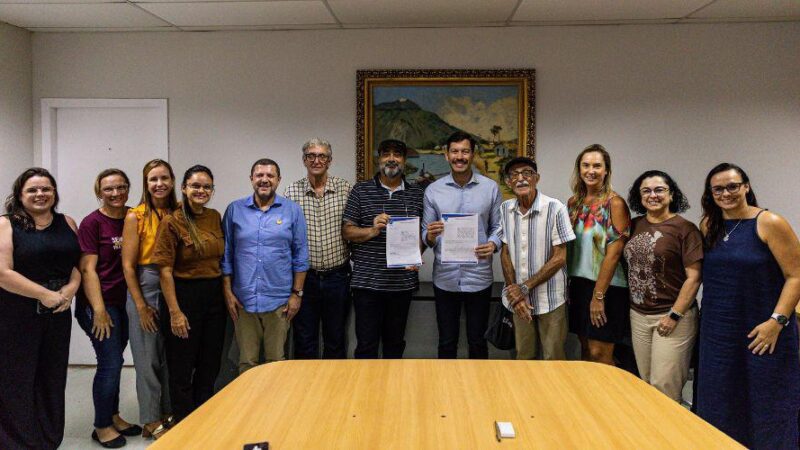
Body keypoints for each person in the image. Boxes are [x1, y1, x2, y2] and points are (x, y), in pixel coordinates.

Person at [696, 163, 800, 449]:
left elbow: (796, 276)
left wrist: (776, 322)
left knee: (767, 400)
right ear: (710, 193)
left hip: (763, 328)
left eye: (733, 186)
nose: (726, 193)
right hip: (719, 329)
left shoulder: (769, 223)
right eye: (718, 188)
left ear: (746, 186)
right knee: (720, 398)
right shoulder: (709, 225)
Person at [0, 168, 81, 449]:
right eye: (32, 190)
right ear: (20, 195)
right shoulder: (7, 224)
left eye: (46, 188)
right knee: (17, 376)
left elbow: (76, 266)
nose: (40, 194)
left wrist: (70, 290)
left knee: (52, 374)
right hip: (17, 312)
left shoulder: (67, 222)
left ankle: (48, 436)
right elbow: (3, 273)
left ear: (54, 193)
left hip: (58, 312)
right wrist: (44, 294)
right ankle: (17, 441)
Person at [152, 165, 226, 424]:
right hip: (183, 297)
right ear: (183, 188)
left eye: (206, 187)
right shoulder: (172, 222)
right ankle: (184, 421)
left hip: (214, 297)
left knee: (210, 362)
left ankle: (204, 417)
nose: (201, 191)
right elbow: (164, 271)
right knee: (182, 366)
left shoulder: (215, 216)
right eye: (195, 186)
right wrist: (175, 313)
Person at [222, 159, 309, 372]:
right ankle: (248, 406)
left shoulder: (292, 211)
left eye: (270, 175)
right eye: (259, 175)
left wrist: (297, 294)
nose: (264, 180)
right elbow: (226, 255)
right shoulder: (235, 210)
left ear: (278, 180)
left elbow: (301, 256)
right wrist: (227, 292)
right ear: (251, 179)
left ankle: (276, 406)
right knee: (246, 363)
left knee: (276, 363)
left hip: (279, 302)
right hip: (243, 301)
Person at [75, 169, 141, 448]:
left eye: (121, 187)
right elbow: (87, 269)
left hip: (124, 303)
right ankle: (101, 426)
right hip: (99, 305)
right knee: (110, 363)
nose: (115, 193)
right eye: (109, 189)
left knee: (115, 362)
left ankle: (113, 415)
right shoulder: (92, 223)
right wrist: (98, 309)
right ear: (99, 191)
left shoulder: (133, 216)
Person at [623, 170, 702, 402]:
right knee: (646, 383)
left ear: (671, 194)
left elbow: (694, 277)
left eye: (659, 190)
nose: (653, 195)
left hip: (673, 316)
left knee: (664, 386)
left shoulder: (685, 229)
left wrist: (674, 315)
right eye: (646, 191)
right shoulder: (634, 225)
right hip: (639, 315)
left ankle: (673, 436)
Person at [422, 131, 502, 359]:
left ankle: (478, 393)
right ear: (446, 155)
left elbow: (499, 227)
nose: (460, 156)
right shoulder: (433, 190)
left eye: (465, 151)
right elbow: (425, 237)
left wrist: (493, 244)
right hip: (445, 279)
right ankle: (445, 393)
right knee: (447, 342)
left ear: (472, 155)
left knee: (478, 342)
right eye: (455, 151)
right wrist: (430, 235)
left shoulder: (490, 188)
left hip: (479, 278)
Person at [343, 139, 424, 359]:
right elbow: (347, 231)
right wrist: (371, 230)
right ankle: (365, 394)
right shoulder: (361, 190)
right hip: (367, 284)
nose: (391, 158)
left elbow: (422, 236)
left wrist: (417, 255)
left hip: (402, 285)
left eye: (397, 154)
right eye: (386, 154)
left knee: (395, 346)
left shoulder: (416, 193)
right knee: (366, 346)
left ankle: (393, 393)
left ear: (404, 161)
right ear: (379, 159)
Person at [121, 159, 178, 439]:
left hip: (175, 284)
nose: (159, 184)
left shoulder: (180, 211)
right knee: (147, 357)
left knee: (169, 355)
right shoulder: (136, 216)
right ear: (145, 183)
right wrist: (141, 305)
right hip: (146, 284)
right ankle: (150, 419)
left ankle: (167, 411)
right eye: (153, 179)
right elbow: (128, 266)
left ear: (173, 181)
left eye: (164, 178)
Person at [499, 157, 575, 360]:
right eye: (514, 175)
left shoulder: (555, 208)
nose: (521, 179)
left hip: (550, 298)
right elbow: (505, 252)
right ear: (508, 182)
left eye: (527, 173)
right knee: (523, 357)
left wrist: (524, 288)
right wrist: (514, 292)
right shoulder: (505, 209)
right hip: (519, 301)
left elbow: (560, 257)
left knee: (553, 358)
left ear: (536, 178)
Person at [284, 139, 351, 359]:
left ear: (330, 161)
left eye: (322, 156)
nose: (316, 160)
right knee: (304, 340)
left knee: (336, 339)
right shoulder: (291, 192)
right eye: (311, 155)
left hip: (338, 277)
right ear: (304, 160)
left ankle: (335, 391)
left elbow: (354, 227)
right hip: (305, 280)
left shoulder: (345, 189)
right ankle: (307, 392)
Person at [567, 144, 631, 365]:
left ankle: (611, 399)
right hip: (579, 285)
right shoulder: (574, 203)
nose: (591, 171)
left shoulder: (615, 203)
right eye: (586, 165)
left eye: (597, 165)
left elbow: (614, 254)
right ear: (579, 169)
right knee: (584, 350)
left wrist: (598, 296)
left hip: (607, 288)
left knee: (599, 355)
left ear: (606, 170)